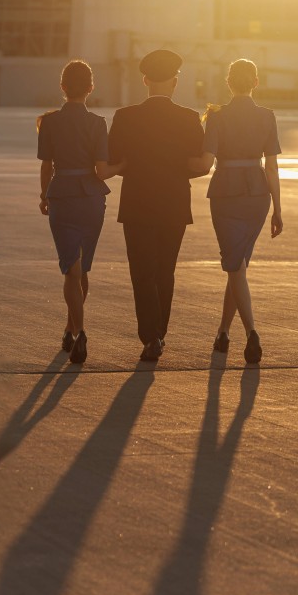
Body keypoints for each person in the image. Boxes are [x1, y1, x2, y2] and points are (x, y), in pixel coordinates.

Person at [108, 49, 206, 361]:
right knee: (166, 270)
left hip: (137, 202)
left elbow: (114, 161)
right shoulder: (189, 118)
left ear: (146, 80)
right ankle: (159, 334)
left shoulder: (125, 116)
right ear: (175, 82)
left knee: (141, 271)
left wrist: (131, 165)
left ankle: (150, 336)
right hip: (174, 203)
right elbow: (198, 164)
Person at [191, 58, 284, 363]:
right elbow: (271, 166)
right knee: (238, 265)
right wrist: (278, 209)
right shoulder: (267, 116)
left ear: (228, 83)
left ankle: (252, 333)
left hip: (227, 193)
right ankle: (222, 332)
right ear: (256, 83)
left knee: (235, 265)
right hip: (258, 195)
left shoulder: (218, 116)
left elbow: (206, 162)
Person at [37, 60, 119, 364]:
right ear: (91, 88)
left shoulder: (49, 122)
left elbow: (46, 164)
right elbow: (103, 169)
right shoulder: (98, 123)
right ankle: (71, 330)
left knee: (71, 268)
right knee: (81, 269)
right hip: (92, 199)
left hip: (63, 195)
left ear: (62, 88)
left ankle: (78, 331)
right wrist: (125, 165)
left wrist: (44, 195)